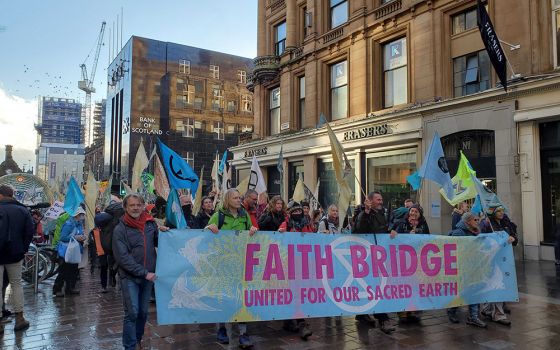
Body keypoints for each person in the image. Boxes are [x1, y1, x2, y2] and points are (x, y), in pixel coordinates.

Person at [113, 193, 168, 350]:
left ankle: (137, 339)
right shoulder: (120, 229)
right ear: (125, 207)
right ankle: (130, 346)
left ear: (143, 206)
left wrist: (164, 233)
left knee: (143, 313)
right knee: (132, 313)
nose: (136, 208)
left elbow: (161, 242)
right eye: (132, 205)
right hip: (130, 277)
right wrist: (144, 272)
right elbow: (122, 258)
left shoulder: (151, 224)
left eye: (138, 204)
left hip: (148, 277)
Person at [206, 189, 257, 348]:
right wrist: (210, 229)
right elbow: (204, 236)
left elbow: (252, 232)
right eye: (235, 197)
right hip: (222, 264)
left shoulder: (244, 215)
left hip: (240, 262)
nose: (238, 200)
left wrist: (253, 230)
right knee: (223, 297)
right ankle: (221, 329)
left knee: (241, 299)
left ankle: (243, 334)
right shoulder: (218, 216)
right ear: (228, 200)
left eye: (240, 197)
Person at [448, 212, 514, 327]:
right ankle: (452, 312)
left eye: (478, 220)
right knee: (461, 292)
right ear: (468, 221)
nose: (478, 222)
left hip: (473, 267)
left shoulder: (475, 231)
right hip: (462, 268)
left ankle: (473, 317)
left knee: (473, 291)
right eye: (475, 220)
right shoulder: (458, 232)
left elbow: (486, 244)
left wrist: (504, 240)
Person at [352, 191, 395, 334]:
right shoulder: (363, 213)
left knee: (376, 284)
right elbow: (360, 229)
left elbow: (382, 231)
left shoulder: (382, 214)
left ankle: (363, 313)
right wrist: (366, 212)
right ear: (370, 201)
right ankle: (383, 318)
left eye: (381, 199)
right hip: (366, 256)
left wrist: (391, 232)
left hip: (379, 255)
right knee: (374, 285)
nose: (381, 201)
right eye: (378, 199)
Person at [277, 201, 313, 340]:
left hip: (304, 264)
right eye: (295, 211)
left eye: (300, 211)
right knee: (294, 293)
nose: (298, 213)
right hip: (289, 265)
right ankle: (302, 323)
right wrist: (280, 234)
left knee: (299, 294)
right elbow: (278, 241)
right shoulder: (285, 225)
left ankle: (288, 321)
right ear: (290, 213)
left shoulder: (307, 224)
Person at [0, 185, 34, 334]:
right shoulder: (22, 210)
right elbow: (29, 231)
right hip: (15, 253)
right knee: (16, 284)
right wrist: (23, 248)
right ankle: (19, 317)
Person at [390, 205, 429, 324]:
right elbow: (393, 236)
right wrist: (404, 233)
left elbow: (428, 238)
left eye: (416, 211)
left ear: (420, 214)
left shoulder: (423, 224)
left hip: (417, 259)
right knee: (403, 285)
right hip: (402, 259)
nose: (413, 213)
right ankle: (402, 312)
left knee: (416, 285)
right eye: (412, 210)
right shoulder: (401, 223)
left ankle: (413, 311)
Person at [479, 205, 517, 326]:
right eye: (498, 211)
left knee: (498, 284)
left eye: (502, 210)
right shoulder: (486, 224)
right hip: (492, 260)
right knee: (495, 284)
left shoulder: (506, 223)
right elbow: (483, 240)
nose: (501, 213)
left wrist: (513, 238)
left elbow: (515, 237)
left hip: (505, 259)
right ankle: (497, 313)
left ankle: (491, 310)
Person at [53, 207, 87, 297]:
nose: (82, 217)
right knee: (63, 271)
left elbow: (80, 234)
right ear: (76, 215)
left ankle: (70, 288)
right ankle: (57, 289)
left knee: (74, 270)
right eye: (81, 215)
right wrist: (75, 237)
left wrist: (83, 237)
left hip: (75, 251)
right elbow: (63, 237)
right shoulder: (69, 224)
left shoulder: (79, 224)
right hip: (66, 252)